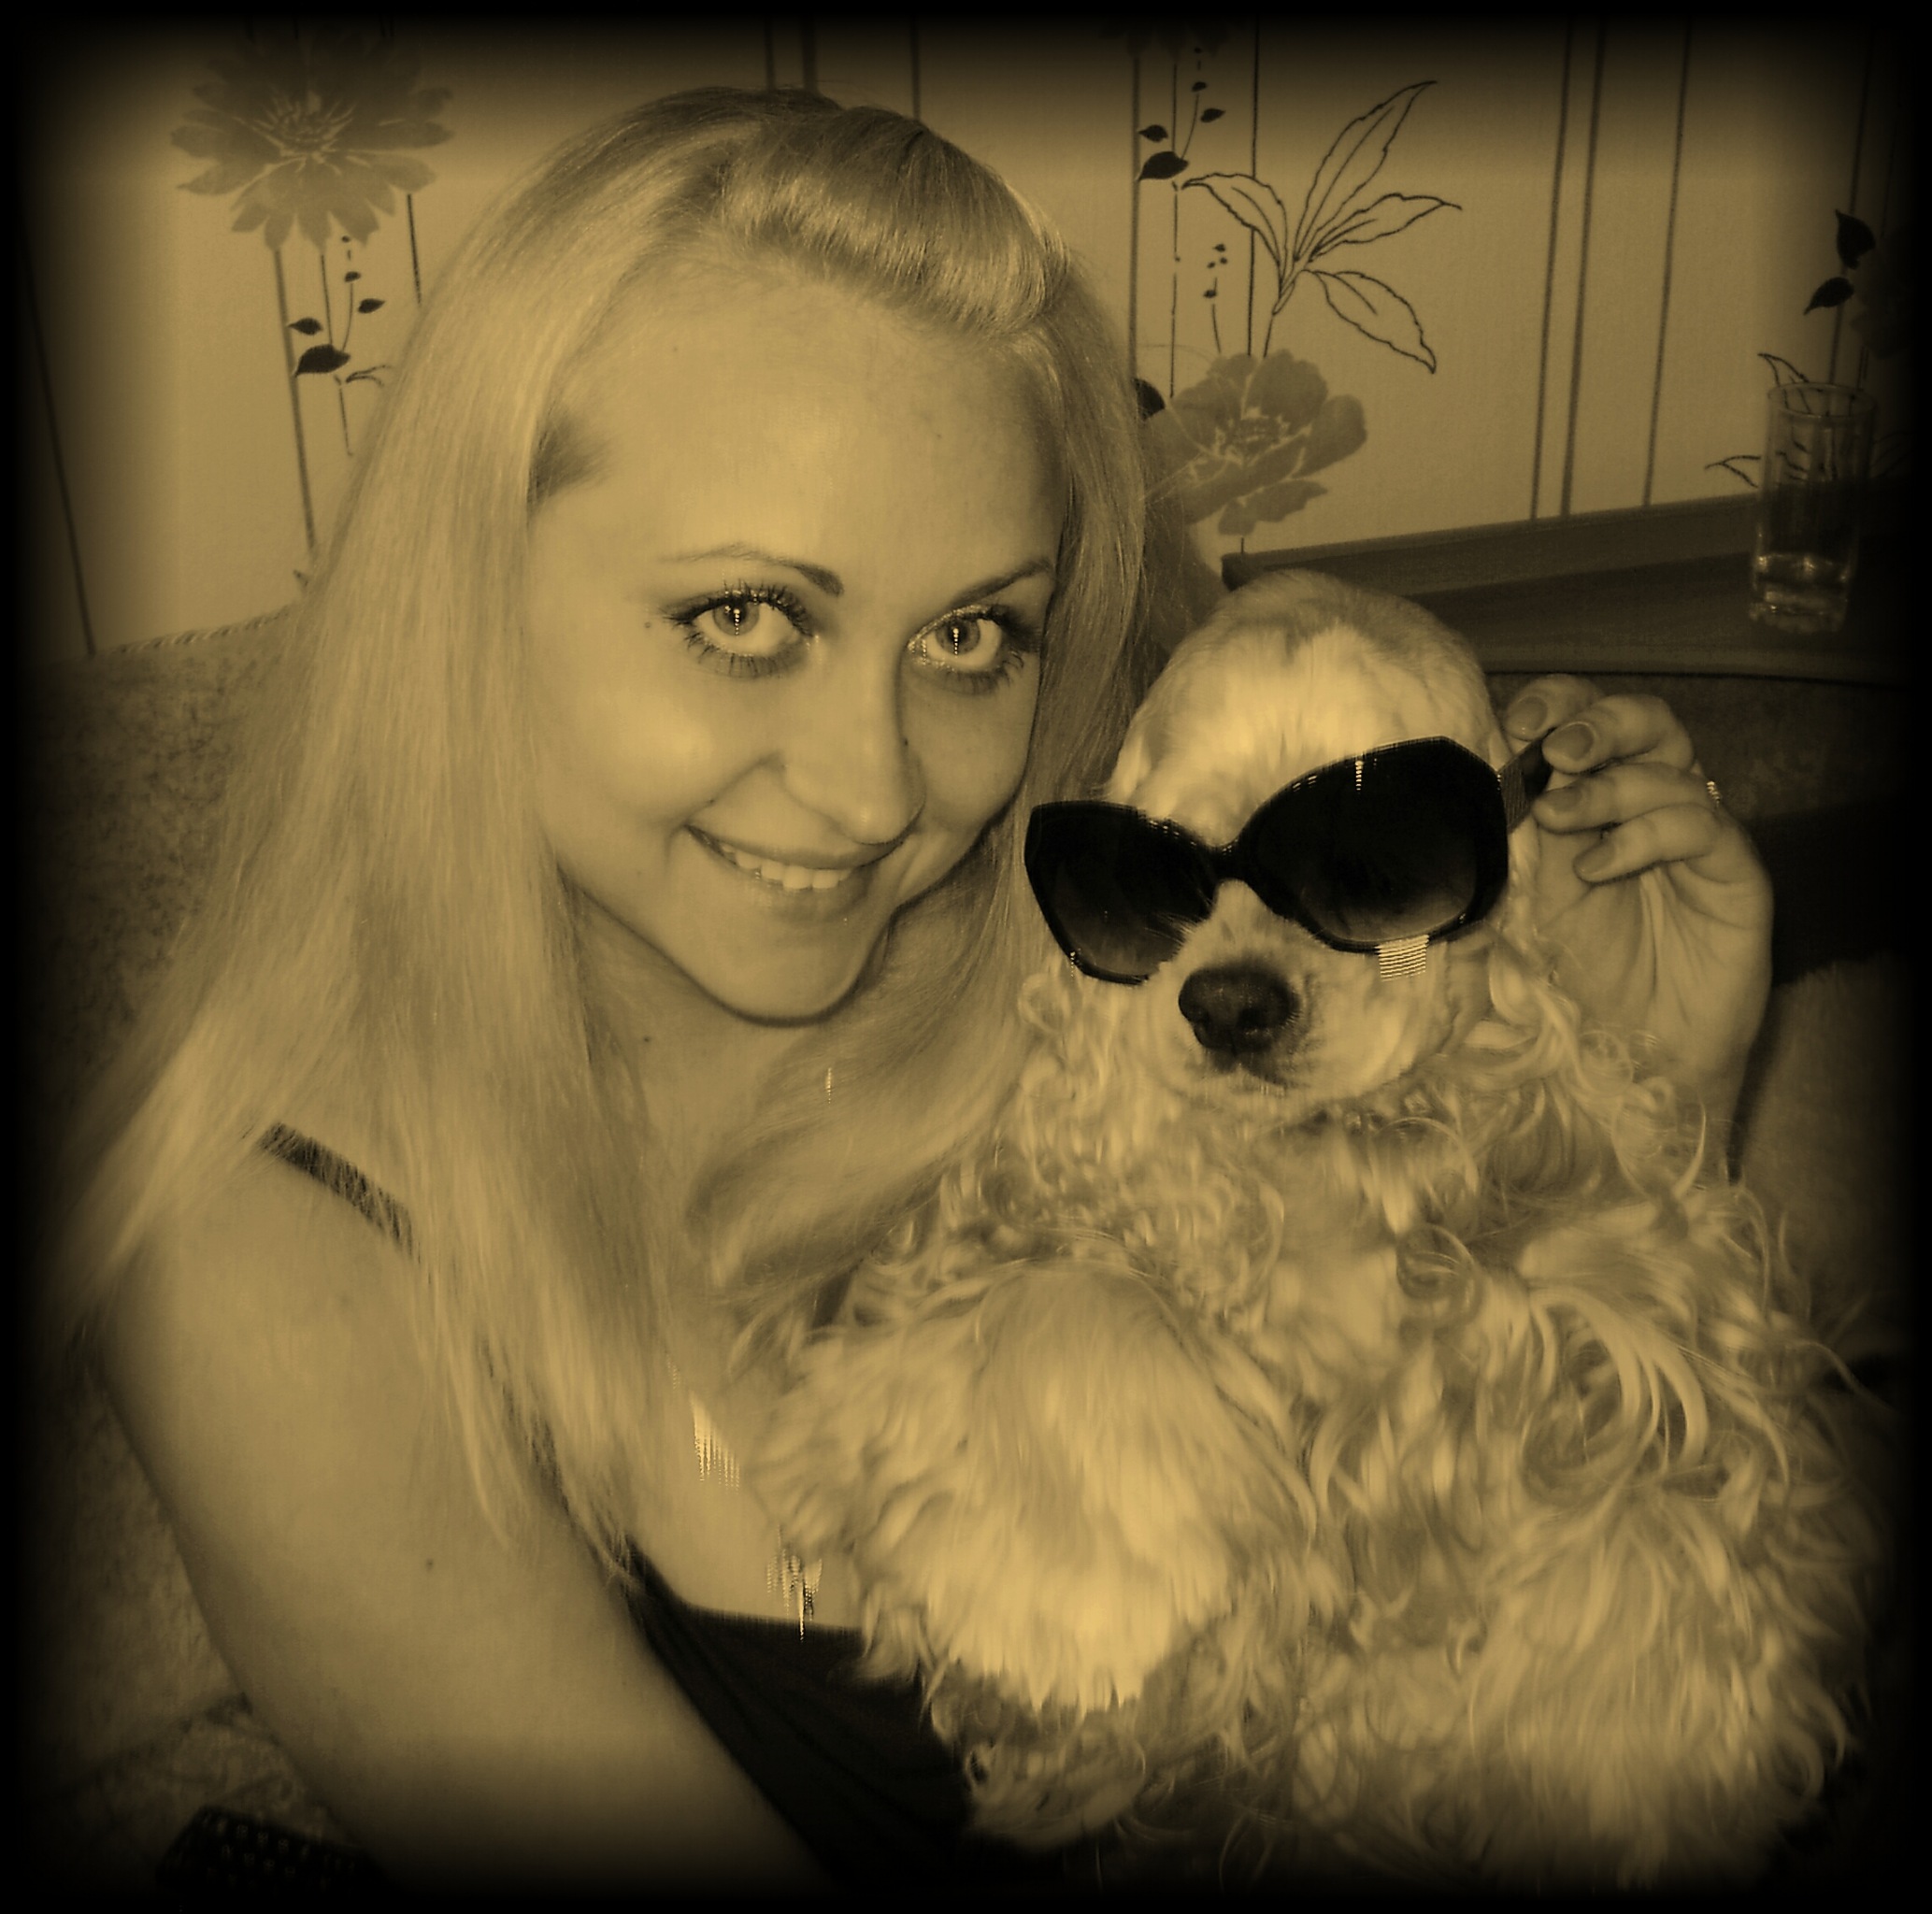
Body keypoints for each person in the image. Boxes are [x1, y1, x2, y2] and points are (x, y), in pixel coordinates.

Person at [41, 87, 1774, 1890]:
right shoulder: (269, 1266)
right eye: (744, 616)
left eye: (966, 636)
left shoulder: (1098, 958)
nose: (878, 793)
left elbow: (1515, 1650)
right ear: (462, 587)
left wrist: (1630, 1107)